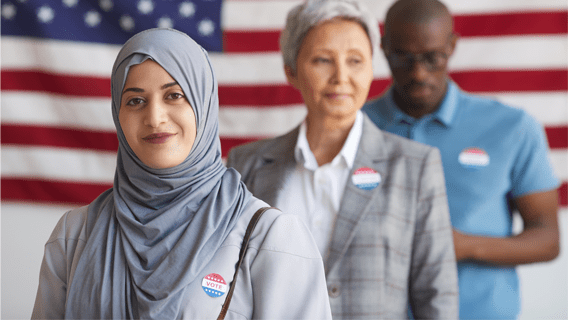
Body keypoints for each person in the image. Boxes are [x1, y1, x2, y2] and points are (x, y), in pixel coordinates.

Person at [31, 28, 332, 320]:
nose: (154, 117)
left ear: (203, 104)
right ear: (117, 115)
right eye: (135, 100)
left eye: (174, 95)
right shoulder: (73, 236)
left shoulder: (272, 237)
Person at [227, 0, 458, 318]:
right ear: (291, 72)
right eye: (323, 60)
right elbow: (229, 284)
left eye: (355, 61)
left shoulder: (416, 167)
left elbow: (437, 297)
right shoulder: (245, 164)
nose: (341, 77)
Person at [362, 0, 561, 319]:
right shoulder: (352, 126)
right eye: (404, 58)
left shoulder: (511, 127)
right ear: (384, 48)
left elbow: (547, 239)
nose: (418, 73)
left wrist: (459, 245)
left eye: (433, 58)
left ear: (452, 46)